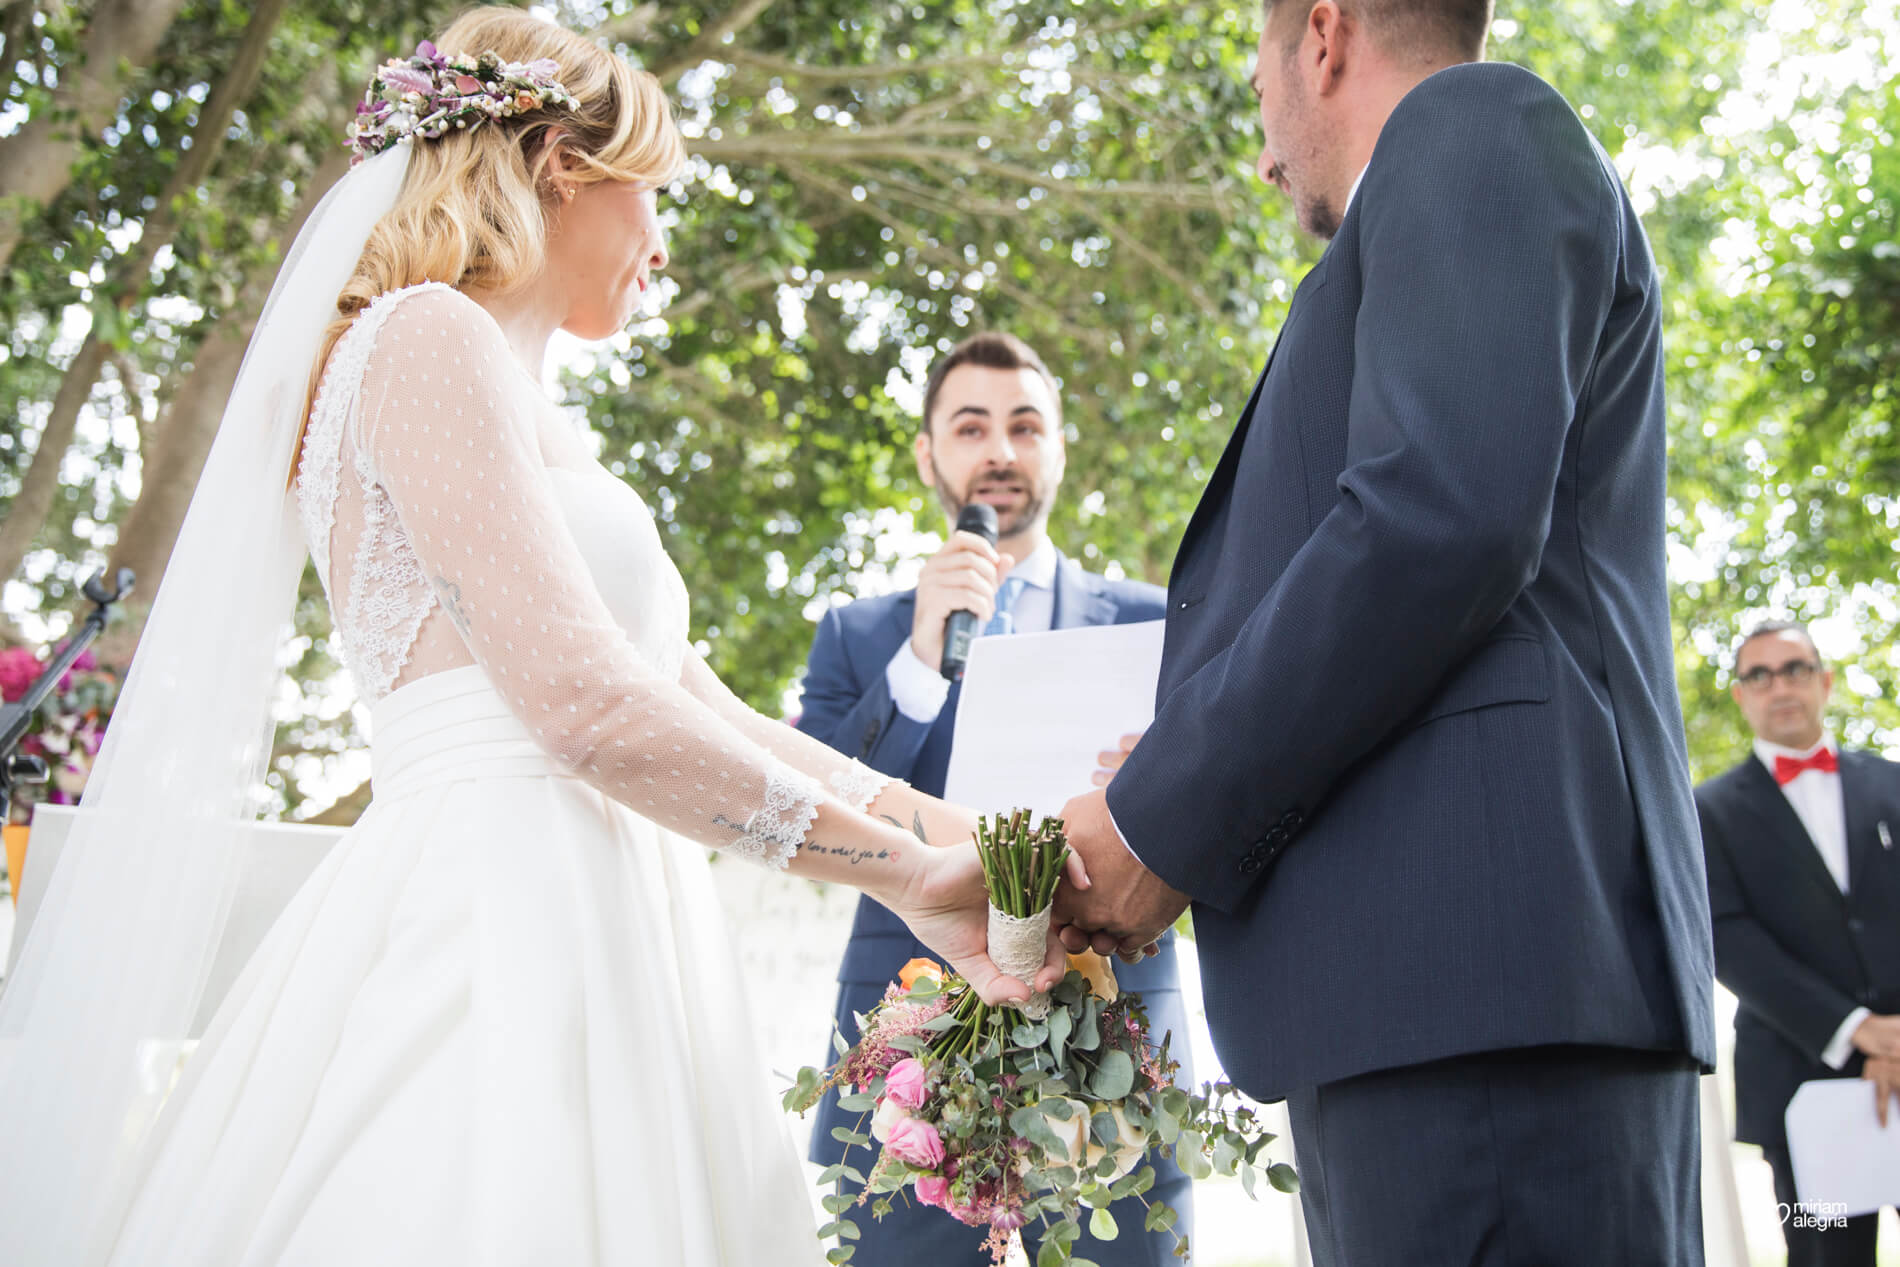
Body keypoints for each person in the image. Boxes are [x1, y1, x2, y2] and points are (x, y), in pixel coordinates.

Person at [0, 11, 1066, 1265]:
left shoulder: (522, 405)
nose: (661, 248)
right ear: (563, 163)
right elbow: (587, 708)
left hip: (614, 913)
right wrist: (898, 875)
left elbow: (689, 696)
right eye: (653, 199)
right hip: (499, 914)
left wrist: (968, 835)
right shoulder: (423, 336)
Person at [1050, 1, 1718, 1263]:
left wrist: (1159, 815)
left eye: (1253, 84)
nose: (1260, 150)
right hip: (1430, 1007)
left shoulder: (1471, 122)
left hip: (1485, 1004)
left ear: (1322, 35)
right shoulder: (1433, 203)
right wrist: (1176, 748)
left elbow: (1436, 517)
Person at [793, 331, 1194, 1266]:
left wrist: (1167, 782)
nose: (1001, 451)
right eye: (971, 427)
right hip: (909, 1051)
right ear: (930, 453)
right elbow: (799, 797)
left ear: (1059, 448)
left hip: (1120, 1045)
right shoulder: (859, 636)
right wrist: (921, 660)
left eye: (1025, 426)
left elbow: (1224, 809)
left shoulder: (1156, 618)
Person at [1696, 620, 1900, 1267]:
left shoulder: (1893, 782)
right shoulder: (1707, 810)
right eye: (1759, 673)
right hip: (1800, 1086)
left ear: (1824, 680)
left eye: (1794, 667)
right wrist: (1856, 1028)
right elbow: (1725, 936)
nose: (1778, 685)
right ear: (1740, 694)